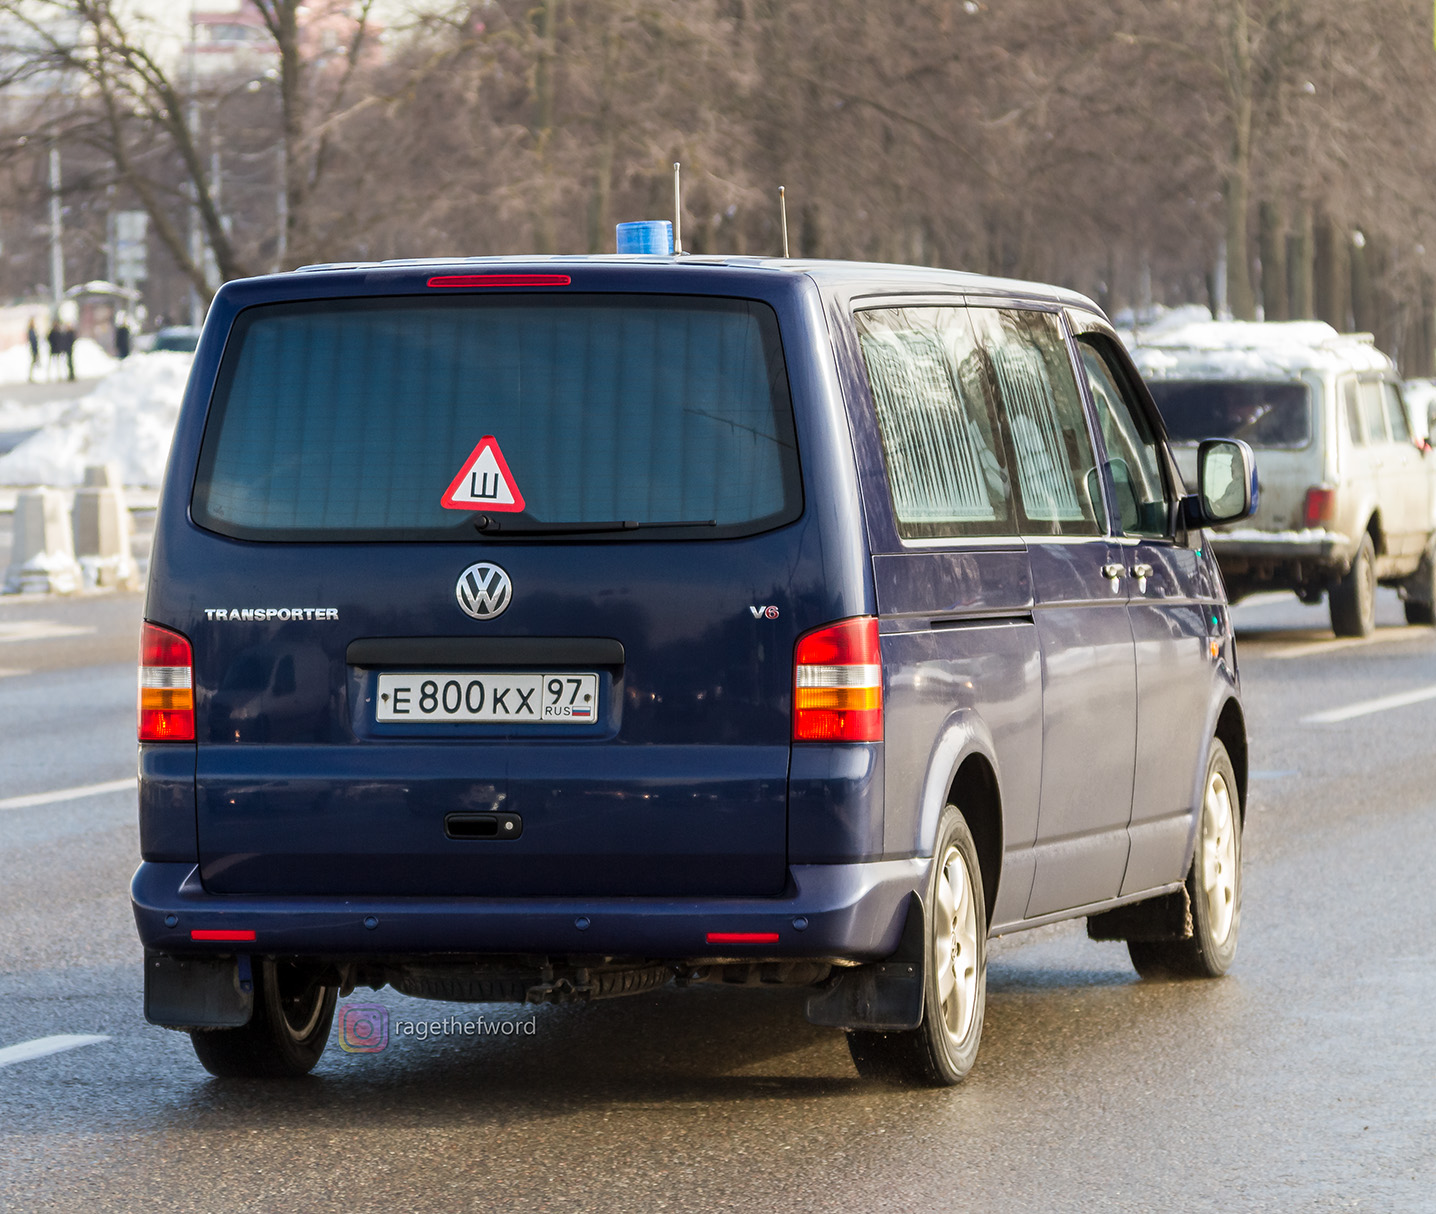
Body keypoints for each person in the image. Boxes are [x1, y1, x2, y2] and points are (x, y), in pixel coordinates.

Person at [46, 317, 62, 382]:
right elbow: (48, 338)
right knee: (52, 363)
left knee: (58, 363)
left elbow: (60, 340)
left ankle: (58, 375)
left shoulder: (57, 331)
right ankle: (49, 375)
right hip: (53, 348)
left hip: (56, 348)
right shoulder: (52, 332)